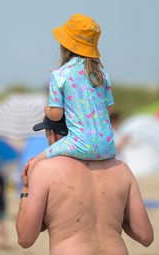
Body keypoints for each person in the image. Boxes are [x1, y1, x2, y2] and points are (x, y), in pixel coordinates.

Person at [17, 115, 153, 255]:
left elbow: (25, 238)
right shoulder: (120, 169)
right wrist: (114, 214)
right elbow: (146, 236)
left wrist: (26, 189)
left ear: (52, 135)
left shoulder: (45, 170)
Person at [30, 13, 116, 170]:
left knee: (33, 165)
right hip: (108, 146)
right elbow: (108, 110)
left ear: (65, 45)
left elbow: (56, 114)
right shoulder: (102, 74)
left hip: (78, 143)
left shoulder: (60, 74)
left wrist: (46, 109)